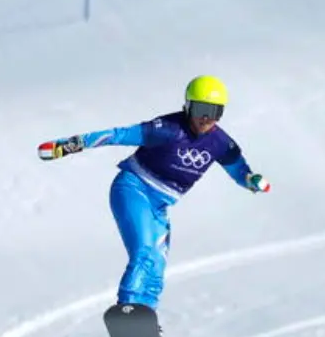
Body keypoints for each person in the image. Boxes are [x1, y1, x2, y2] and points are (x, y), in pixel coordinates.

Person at [36, 76, 269, 313]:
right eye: (200, 110)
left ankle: (145, 321)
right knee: (144, 253)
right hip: (134, 189)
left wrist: (251, 180)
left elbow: (239, 170)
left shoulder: (221, 143)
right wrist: (69, 145)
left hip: (160, 206)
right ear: (188, 106)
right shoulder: (168, 129)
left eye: (214, 112)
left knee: (156, 270)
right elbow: (118, 134)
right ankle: (127, 311)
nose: (206, 119)